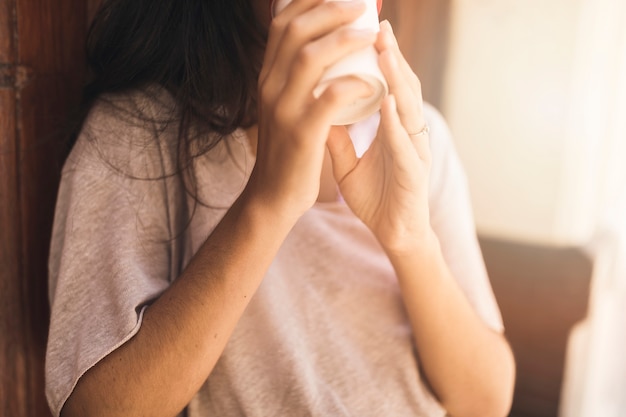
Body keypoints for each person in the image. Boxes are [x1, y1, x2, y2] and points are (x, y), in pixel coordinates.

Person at [45, 0, 515, 416]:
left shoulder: (413, 131)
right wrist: (269, 201)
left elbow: (486, 401)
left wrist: (411, 240)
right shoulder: (139, 134)